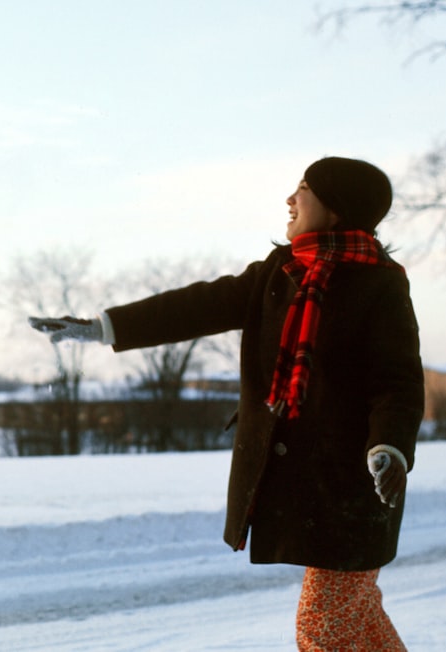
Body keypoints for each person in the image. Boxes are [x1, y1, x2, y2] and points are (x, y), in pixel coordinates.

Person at [30, 156, 424, 651]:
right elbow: (197, 305)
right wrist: (103, 327)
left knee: (325, 626)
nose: (289, 199)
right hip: (306, 482)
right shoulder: (276, 273)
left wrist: (389, 446)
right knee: (356, 620)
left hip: (354, 483)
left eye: (303, 188)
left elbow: (398, 380)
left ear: (337, 207)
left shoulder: (380, 284)